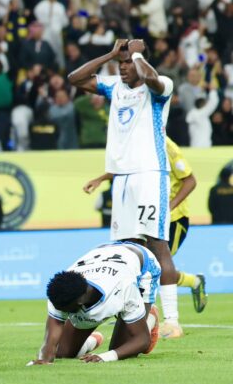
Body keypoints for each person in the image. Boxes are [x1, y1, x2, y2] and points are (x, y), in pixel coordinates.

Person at [67, 39, 180, 342]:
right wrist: (110, 55)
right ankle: (137, 318)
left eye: (130, 62)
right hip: (122, 178)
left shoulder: (160, 87)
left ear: (142, 60)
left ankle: (172, 320)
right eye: (123, 63)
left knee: (157, 244)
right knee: (127, 249)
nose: (125, 67)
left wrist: (139, 53)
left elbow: (152, 79)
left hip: (149, 173)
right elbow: (74, 79)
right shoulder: (114, 86)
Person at [84, 135, 208, 335]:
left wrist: (168, 208)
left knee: (158, 265)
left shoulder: (166, 145)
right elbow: (127, 169)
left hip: (174, 218)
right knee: (146, 267)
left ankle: (172, 319)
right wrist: (101, 179)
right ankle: (135, 315)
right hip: (144, 214)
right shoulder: (134, 140)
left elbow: (190, 181)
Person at [32, 241, 160, 364]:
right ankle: (92, 341)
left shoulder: (124, 287)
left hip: (144, 266)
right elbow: (50, 341)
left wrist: (105, 357)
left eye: (67, 310)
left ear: (80, 300)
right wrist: (44, 359)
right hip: (102, 254)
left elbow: (142, 340)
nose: (64, 314)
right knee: (62, 351)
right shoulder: (61, 289)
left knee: (123, 349)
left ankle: (149, 318)